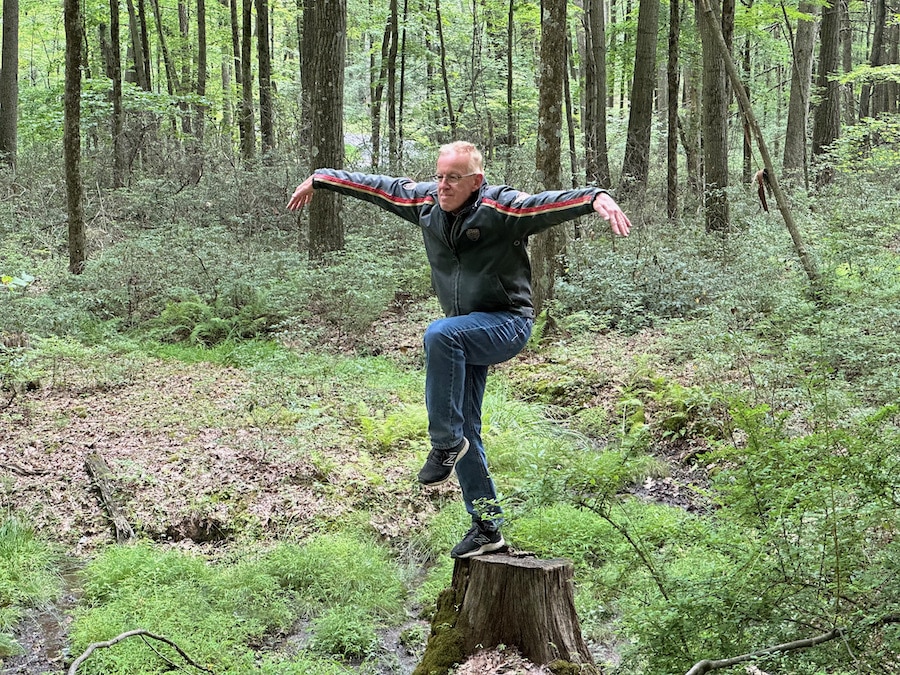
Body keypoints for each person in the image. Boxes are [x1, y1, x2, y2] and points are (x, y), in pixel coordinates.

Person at [288, 141, 631, 558]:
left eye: (454, 178)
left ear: (476, 182)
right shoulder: (426, 204)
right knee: (467, 426)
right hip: (467, 331)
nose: (444, 185)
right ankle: (487, 526)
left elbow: (546, 204)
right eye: (439, 175)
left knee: (440, 334)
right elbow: (376, 186)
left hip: (507, 323)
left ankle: (444, 442)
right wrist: (322, 179)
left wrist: (594, 197)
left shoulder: (501, 209)